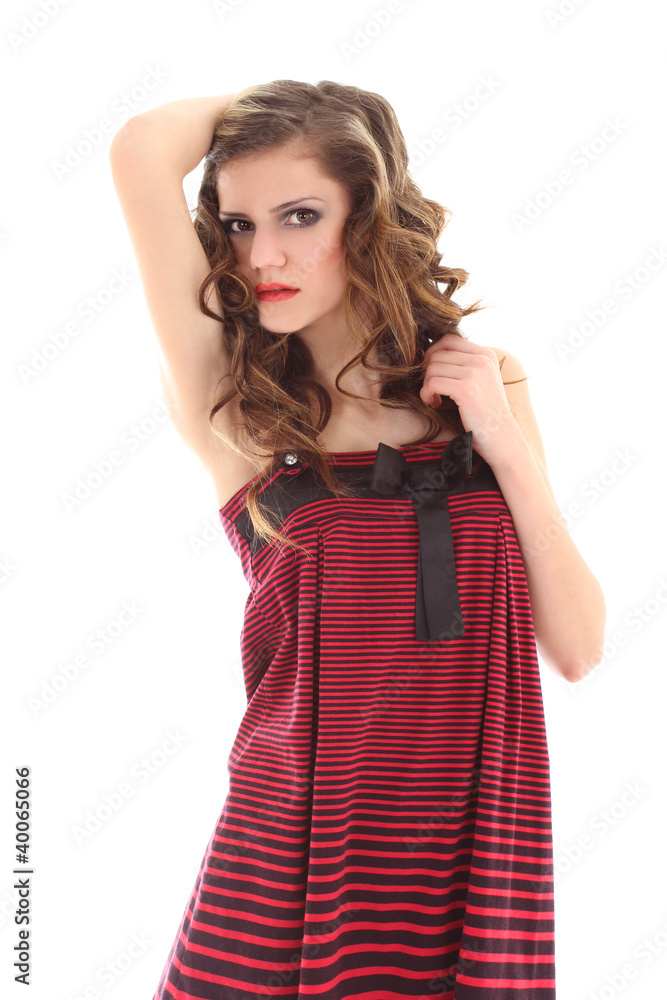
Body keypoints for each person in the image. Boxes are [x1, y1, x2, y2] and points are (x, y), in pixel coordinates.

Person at [109, 79, 605, 1000]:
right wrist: (305, 107)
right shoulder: (238, 406)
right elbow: (141, 147)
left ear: (368, 215)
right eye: (239, 225)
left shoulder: (486, 382)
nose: (263, 255)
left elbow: (577, 648)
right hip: (290, 849)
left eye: (300, 215)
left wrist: (500, 439)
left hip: (474, 843)